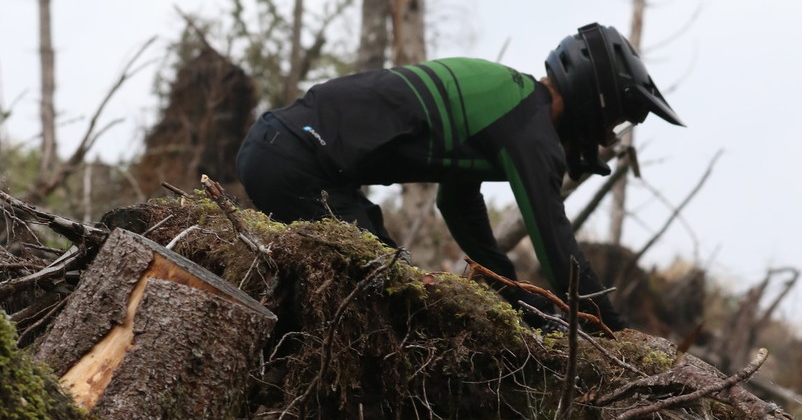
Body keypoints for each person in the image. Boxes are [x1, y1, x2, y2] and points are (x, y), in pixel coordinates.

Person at [235, 22, 683, 331]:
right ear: (593, 101)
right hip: (297, 161)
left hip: (278, 149)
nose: (606, 137)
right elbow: (554, 240)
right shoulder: (532, 131)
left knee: (381, 291)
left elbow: (458, 203)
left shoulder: (507, 98)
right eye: (612, 123)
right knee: (399, 306)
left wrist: (514, 294)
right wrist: (613, 329)